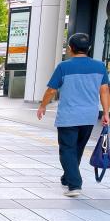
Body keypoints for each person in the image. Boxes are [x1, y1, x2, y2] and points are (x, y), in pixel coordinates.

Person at [37, 33, 110, 197]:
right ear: (88, 48)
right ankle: (67, 177)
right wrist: (106, 113)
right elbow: (104, 90)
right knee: (77, 149)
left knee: (67, 149)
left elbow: (51, 90)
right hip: (89, 117)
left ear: (70, 48)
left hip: (68, 117)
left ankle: (75, 185)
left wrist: (42, 106)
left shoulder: (64, 66)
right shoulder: (100, 67)